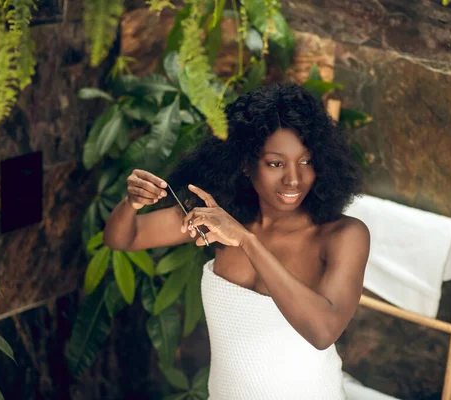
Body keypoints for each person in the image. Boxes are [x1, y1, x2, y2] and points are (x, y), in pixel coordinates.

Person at [103, 82, 370, 399]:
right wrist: (130, 203)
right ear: (245, 163)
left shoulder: (342, 235)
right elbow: (123, 238)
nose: (294, 179)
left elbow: (323, 331)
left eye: (306, 161)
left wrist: (247, 241)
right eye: (275, 163)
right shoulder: (220, 216)